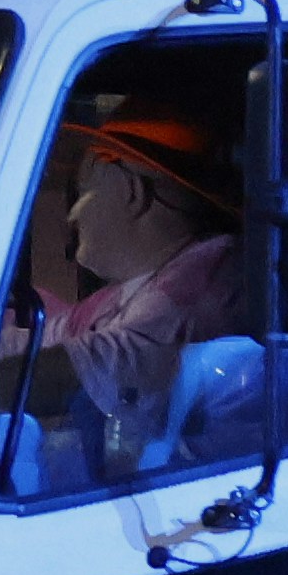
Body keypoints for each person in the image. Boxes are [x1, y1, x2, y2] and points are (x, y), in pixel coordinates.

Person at [23, 99, 252, 464]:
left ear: (132, 190)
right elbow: (56, 334)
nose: (72, 213)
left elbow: (100, 368)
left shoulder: (207, 279)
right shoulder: (129, 291)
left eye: (83, 192)